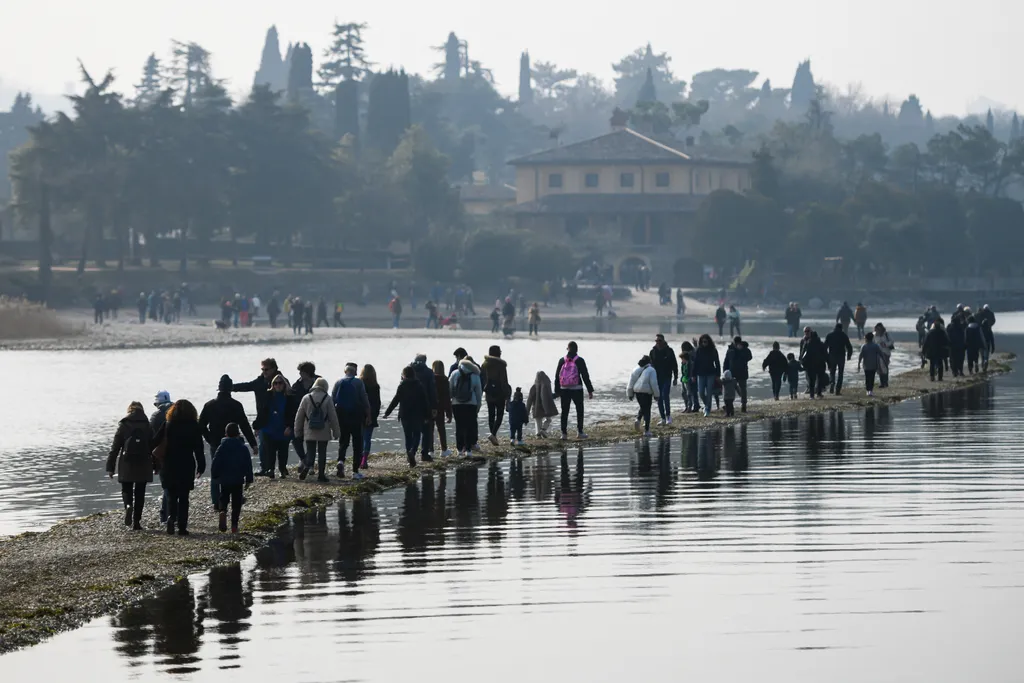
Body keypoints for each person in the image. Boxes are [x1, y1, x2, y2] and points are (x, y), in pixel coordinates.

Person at [199, 375, 257, 508]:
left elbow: (201, 425)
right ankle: (237, 496)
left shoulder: (209, 405)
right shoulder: (236, 405)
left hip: (216, 443)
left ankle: (216, 501)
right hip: (235, 443)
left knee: (216, 471)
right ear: (230, 389)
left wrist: (209, 439)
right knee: (235, 470)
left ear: (219, 388)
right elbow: (244, 426)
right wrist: (253, 444)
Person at [153, 400, 205, 536]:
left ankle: (171, 518)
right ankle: (182, 527)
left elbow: (154, 442)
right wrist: (201, 465)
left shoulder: (167, 425)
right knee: (183, 497)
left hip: (169, 465)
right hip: (186, 464)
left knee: (171, 495)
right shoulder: (194, 426)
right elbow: (199, 448)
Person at [106, 401, 154, 530]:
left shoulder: (124, 424)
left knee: (126, 489)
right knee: (140, 492)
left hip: (127, 463)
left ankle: (128, 506)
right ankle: (137, 523)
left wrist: (110, 467)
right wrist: (156, 465)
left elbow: (115, 448)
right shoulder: (147, 425)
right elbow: (153, 446)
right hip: (144, 462)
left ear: (129, 411)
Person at [294, 377, 342, 482]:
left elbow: (299, 416)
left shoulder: (306, 398)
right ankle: (321, 475)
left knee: (310, 452)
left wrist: (297, 431)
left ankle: (307, 466)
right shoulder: (327, 398)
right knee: (322, 452)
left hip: (309, 430)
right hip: (323, 430)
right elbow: (333, 417)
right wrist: (336, 432)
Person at [210, 423, 254, 533]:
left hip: (224, 479)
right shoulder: (243, 447)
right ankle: (234, 525)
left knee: (223, 497)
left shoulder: (221, 447)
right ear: (238, 434)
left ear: (226, 434)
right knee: (236, 502)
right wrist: (249, 479)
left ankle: (223, 511)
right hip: (238, 479)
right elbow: (248, 464)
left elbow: (215, 462)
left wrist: (215, 475)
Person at [384, 366, 431, 467]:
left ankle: (409, 455)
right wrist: (427, 415)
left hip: (405, 415)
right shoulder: (419, 385)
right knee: (417, 435)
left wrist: (387, 412)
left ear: (403, 375)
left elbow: (395, 400)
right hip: (417, 415)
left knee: (408, 436)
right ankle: (412, 452)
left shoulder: (402, 386)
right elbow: (425, 401)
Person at [554, 341, 595, 440]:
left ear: (567, 349)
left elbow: (557, 376)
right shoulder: (580, 360)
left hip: (564, 389)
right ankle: (580, 432)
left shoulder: (562, 360)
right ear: (577, 350)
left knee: (564, 411)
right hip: (577, 389)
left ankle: (564, 434)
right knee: (579, 410)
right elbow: (585, 376)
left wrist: (557, 391)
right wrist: (590, 390)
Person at [259, 375, 298, 477]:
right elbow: (262, 411)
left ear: (284, 384)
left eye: (280, 383)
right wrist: (257, 425)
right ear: (272, 385)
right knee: (270, 450)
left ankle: (282, 469)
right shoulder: (268, 396)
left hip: (283, 428)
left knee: (283, 450)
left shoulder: (290, 398)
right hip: (269, 427)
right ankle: (270, 469)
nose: (278, 385)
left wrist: (290, 426)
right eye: (275, 383)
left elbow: (293, 414)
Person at [449, 355, 483, 456]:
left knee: (459, 426)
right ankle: (468, 450)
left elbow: (450, 389)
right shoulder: (475, 375)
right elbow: (478, 392)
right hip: (470, 404)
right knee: (469, 426)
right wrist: (478, 405)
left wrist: (451, 400)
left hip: (456, 404)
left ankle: (459, 450)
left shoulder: (454, 373)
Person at [410, 354, 439, 460]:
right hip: (424, 405)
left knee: (413, 431)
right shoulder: (428, 372)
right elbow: (432, 390)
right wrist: (434, 406)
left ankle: (412, 451)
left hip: (410, 406)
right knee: (426, 431)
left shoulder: (408, 370)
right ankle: (424, 453)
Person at [481, 346, 511, 446]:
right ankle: (493, 434)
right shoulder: (501, 365)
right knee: (499, 415)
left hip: (489, 393)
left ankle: (493, 435)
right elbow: (504, 381)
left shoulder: (485, 364)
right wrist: (507, 394)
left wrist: (483, 390)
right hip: (499, 393)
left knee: (491, 415)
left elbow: (482, 379)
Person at [627, 355, 660, 437]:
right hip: (646, 392)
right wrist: (657, 395)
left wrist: (630, 394)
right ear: (649, 362)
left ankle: (638, 419)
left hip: (637, 391)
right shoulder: (651, 370)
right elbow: (654, 384)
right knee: (647, 409)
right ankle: (647, 430)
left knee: (643, 407)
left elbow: (631, 382)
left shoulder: (636, 369)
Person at [649, 334, 679, 425]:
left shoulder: (669, 351)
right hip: (656, 378)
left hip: (667, 376)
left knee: (665, 395)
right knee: (659, 398)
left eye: (659, 341)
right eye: (656, 341)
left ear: (663, 341)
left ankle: (668, 416)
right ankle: (662, 418)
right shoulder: (652, 352)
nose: (658, 342)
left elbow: (674, 364)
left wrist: (675, 377)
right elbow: (650, 366)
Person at [691, 334, 721, 417]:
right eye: (703, 341)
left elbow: (717, 363)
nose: (704, 343)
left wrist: (718, 375)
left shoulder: (713, 350)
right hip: (700, 374)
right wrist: (693, 375)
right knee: (700, 392)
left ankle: (707, 409)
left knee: (709, 392)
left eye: (706, 341)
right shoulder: (699, 350)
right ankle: (706, 405)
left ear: (709, 342)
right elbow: (695, 363)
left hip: (711, 373)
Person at [723, 336, 752, 412]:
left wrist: (742, 350)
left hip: (742, 372)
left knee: (743, 388)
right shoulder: (730, 349)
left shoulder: (745, 349)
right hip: (732, 372)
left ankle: (743, 404)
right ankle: (729, 404)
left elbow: (749, 357)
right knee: (731, 389)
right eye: (735, 343)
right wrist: (725, 371)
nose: (736, 344)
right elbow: (726, 360)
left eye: (737, 343)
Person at [824, 324, 854, 395]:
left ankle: (832, 383)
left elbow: (825, 347)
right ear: (841, 328)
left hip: (832, 356)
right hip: (841, 356)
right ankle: (837, 390)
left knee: (832, 372)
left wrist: (826, 357)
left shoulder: (830, 335)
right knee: (840, 374)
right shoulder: (844, 335)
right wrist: (849, 356)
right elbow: (849, 346)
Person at [526, 371, 558, 437]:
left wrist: (527, 411)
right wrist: (557, 395)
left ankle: (538, 434)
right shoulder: (546, 386)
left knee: (538, 421)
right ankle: (543, 430)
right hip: (545, 407)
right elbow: (548, 396)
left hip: (536, 407)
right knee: (548, 419)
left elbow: (529, 400)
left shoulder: (533, 387)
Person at [360, 364, 382, 459]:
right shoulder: (375, 386)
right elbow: (377, 402)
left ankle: (359, 458)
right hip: (371, 414)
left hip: (360, 414)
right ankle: (364, 460)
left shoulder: (359, 384)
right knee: (367, 439)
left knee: (359, 438)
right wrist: (375, 416)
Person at [432, 360, 453, 457]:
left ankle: (430, 450)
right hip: (441, 408)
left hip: (431, 407)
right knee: (441, 429)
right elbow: (447, 398)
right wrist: (449, 413)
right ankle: (443, 450)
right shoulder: (445, 380)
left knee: (429, 429)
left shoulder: (430, 379)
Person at [800, 331, 827, 399]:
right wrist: (829, 364)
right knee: (820, 379)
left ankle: (812, 395)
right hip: (820, 364)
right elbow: (826, 354)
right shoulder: (821, 344)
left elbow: (803, 354)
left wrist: (802, 362)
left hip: (810, 365)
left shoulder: (807, 343)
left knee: (812, 380)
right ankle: (819, 393)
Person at [874, 323, 895, 388]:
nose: (878, 330)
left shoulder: (886, 334)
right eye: (877, 329)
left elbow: (892, 341)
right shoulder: (874, 335)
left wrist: (885, 344)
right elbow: (873, 343)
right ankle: (882, 382)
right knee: (879, 368)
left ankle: (885, 382)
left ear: (882, 328)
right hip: (878, 353)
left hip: (886, 353)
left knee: (884, 367)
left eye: (879, 328)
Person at [947, 312, 967, 377]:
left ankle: (954, 371)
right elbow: (964, 336)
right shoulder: (961, 326)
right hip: (960, 345)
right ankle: (960, 371)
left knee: (953, 359)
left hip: (952, 345)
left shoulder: (949, 326)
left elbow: (947, 335)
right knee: (960, 359)